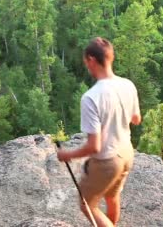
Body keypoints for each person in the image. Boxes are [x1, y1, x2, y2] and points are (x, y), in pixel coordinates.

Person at [57, 37, 141, 227]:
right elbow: (136, 119)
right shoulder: (128, 85)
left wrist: (67, 154)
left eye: (86, 61)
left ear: (91, 60)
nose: (86, 65)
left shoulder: (91, 98)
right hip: (127, 152)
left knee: (88, 205)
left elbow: (94, 146)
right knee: (112, 196)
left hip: (108, 160)